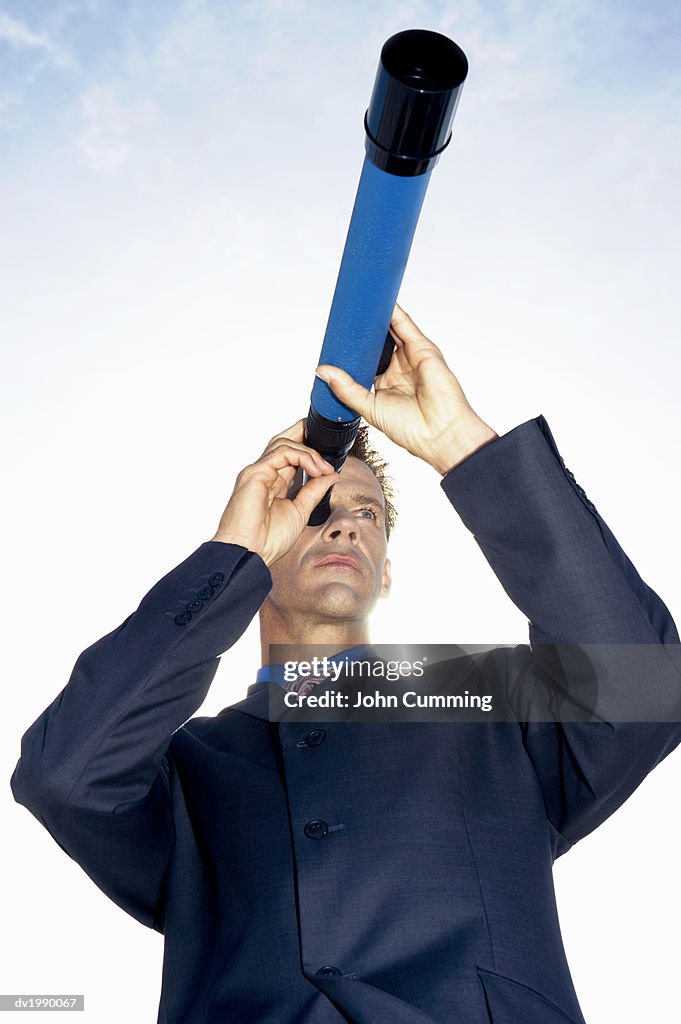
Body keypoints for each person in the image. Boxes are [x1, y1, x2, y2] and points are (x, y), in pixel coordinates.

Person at [10, 305, 681, 1024]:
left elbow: (646, 685)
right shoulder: (190, 767)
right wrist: (231, 557)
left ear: (384, 572)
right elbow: (65, 776)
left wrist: (462, 446)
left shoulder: (494, 706)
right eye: (313, 508)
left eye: (368, 514)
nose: (343, 522)